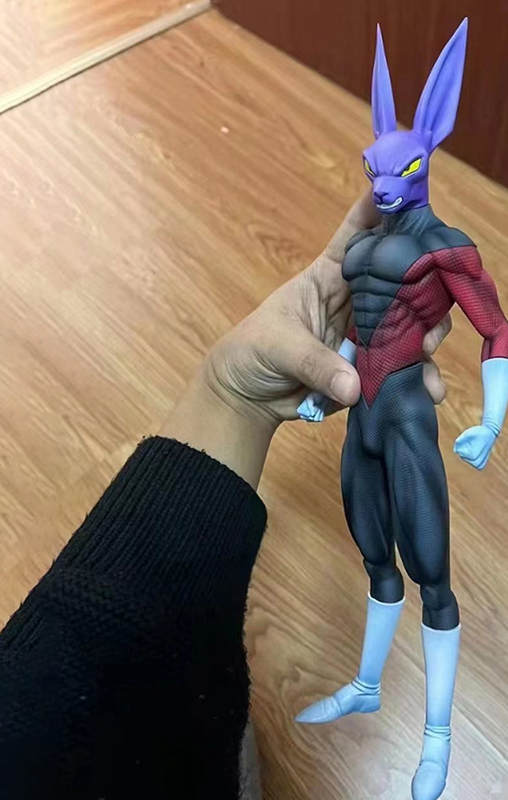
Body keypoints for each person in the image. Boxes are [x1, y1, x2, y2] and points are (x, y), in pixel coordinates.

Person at [0, 193, 453, 800]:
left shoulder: (445, 252)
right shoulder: (369, 256)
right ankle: (367, 685)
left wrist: (234, 398)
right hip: (364, 422)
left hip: (401, 419)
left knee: (431, 579)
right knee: (379, 564)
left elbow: (494, 329)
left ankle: (438, 736)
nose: (386, 180)